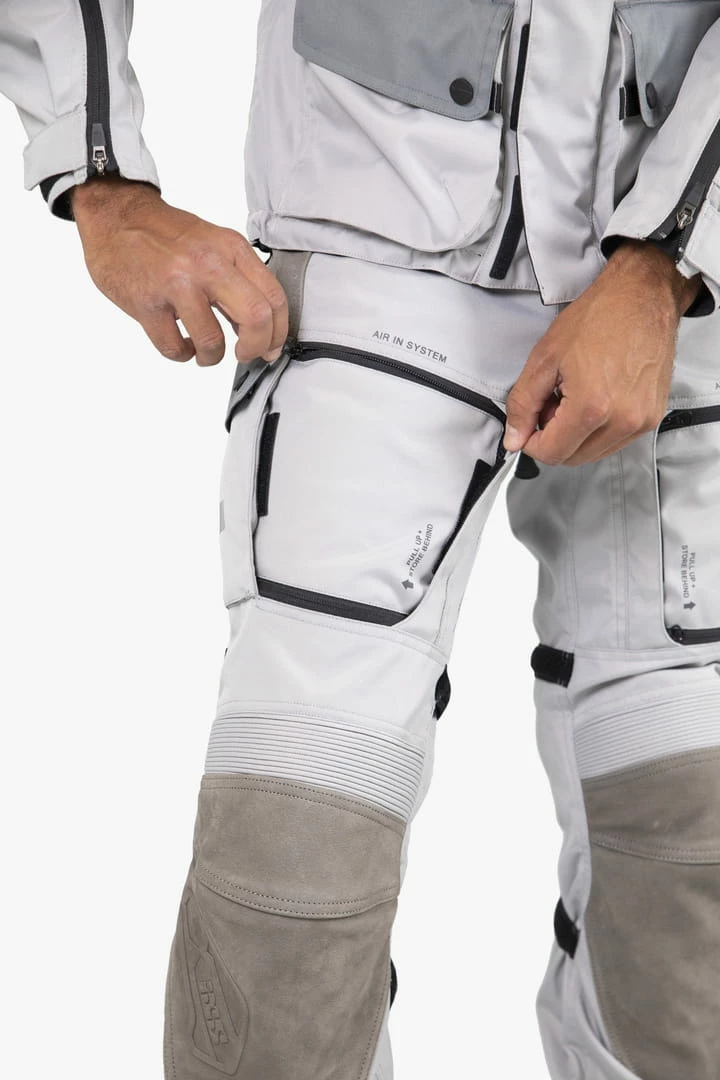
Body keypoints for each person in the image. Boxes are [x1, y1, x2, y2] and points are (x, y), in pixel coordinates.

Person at [2, 2, 720, 1078]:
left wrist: (665, 257)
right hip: (377, 249)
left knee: (689, 899)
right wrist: (100, 174)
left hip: (686, 300)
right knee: (285, 891)